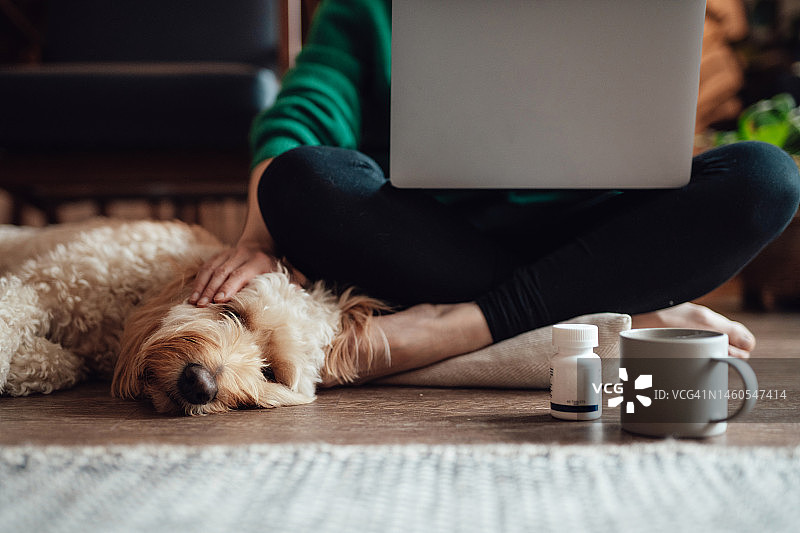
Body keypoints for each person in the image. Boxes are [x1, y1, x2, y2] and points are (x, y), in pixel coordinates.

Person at [190, 0, 800, 383]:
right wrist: (258, 234)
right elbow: (304, 109)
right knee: (301, 178)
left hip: (594, 233)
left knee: (767, 179)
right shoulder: (371, 6)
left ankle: (463, 326)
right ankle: (619, 315)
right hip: (427, 239)